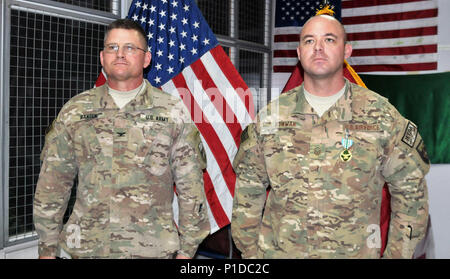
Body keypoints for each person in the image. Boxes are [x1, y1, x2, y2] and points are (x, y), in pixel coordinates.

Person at [231, 14, 430, 258]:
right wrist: (251, 255)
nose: (318, 48)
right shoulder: (271, 118)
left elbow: (411, 192)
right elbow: (248, 190)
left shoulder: (381, 116)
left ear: (347, 51)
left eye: (329, 40)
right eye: (309, 41)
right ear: (298, 52)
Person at [33, 19, 209, 259]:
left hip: (152, 250)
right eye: (112, 47)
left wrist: (187, 251)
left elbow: (191, 187)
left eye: (130, 48)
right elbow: (53, 184)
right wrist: (47, 248)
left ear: (146, 59)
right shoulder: (75, 110)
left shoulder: (172, 111)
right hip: (87, 248)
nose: (120, 54)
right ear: (102, 57)